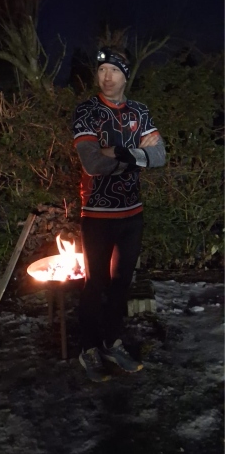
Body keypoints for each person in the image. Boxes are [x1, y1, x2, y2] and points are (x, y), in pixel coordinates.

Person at [71, 47, 166, 382]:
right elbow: (92, 163)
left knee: (121, 285)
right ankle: (89, 348)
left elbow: (160, 156)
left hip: (132, 214)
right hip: (97, 215)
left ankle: (113, 342)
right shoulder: (87, 112)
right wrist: (136, 155)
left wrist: (119, 151)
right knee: (95, 284)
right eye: (101, 70)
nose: (106, 76)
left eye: (114, 70)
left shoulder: (139, 112)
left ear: (126, 75)